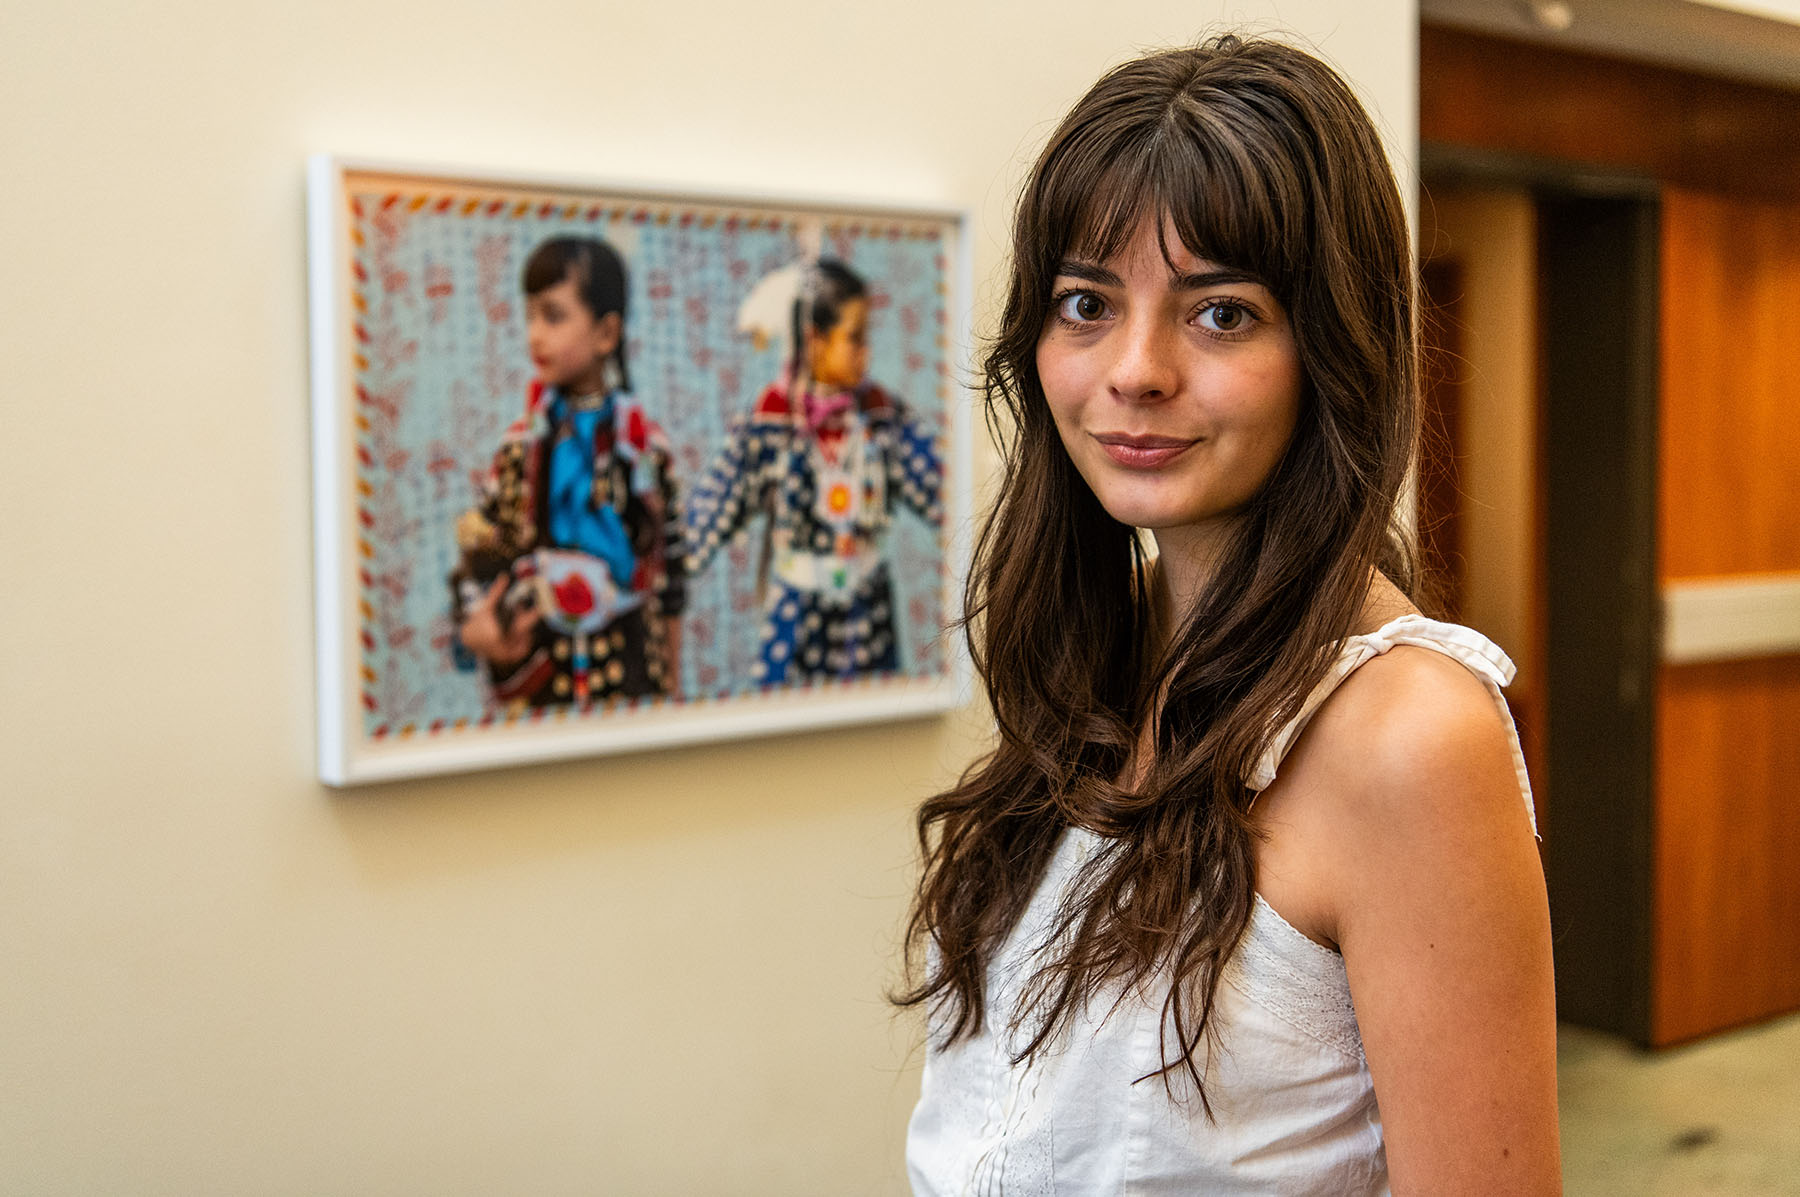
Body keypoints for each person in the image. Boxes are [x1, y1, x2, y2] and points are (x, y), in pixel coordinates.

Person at [898, 36, 1561, 1195]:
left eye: (1221, 315)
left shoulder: (1408, 732)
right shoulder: (1118, 649)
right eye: (1087, 303)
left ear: (1331, 347)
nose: (1137, 369)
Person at [451, 236, 685, 708]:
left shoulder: (645, 448)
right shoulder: (520, 447)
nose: (534, 335)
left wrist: (675, 685)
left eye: (553, 316)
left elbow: (671, 572)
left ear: (606, 334)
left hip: (629, 661)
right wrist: (478, 622)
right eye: (530, 316)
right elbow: (484, 550)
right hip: (544, 666)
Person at [685, 258, 942, 686]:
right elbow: (716, 502)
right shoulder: (771, 420)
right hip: (796, 610)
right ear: (814, 341)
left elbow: (942, 489)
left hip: (867, 611)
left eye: (866, 338)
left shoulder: (881, 416)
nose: (866, 352)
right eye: (854, 338)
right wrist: (667, 567)